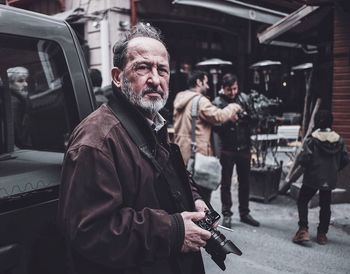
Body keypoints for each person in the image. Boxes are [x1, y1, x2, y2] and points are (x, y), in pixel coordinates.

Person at [58, 23, 212, 274]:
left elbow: (162, 177)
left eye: (162, 70)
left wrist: (193, 198)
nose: (155, 79)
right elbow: (89, 231)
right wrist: (172, 231)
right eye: (143, 67)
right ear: (118, 77)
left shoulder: (152, 124)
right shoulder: (97, 139)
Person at [173, 70, 241, 202]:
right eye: (206, 82)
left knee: (188, 197)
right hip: (199, 158)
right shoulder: (200, 101)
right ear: (198, 82)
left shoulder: (180, 98)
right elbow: (218, 116)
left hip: (182, 155)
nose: (208, 86)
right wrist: (234, 107)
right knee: (202, 199)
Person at [292, 109, 349, 245]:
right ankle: (322, 234)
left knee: (302, 200)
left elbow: (304, 159)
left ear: (316, 122)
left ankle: (303, 229)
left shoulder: (312, 140)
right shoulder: (339, 140)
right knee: (325, 204)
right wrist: (335, 169)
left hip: (312, 177)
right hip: (329, 178)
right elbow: (345, 159)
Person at [212, 73, 260, 228]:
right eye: (229, 90)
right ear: (223, 88)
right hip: (227, 149)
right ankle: (226, 213)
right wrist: (227, 120)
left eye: (234, 88)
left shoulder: (244, 98)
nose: (232, 92)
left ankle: (245, 213)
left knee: (245, 182)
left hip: (244, 147)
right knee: (226, 183)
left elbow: (255, 119)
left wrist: (243, 117)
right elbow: (215, 128)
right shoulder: (217, 102)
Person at [7, 66, 32, 148]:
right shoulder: (13, 102)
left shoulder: (19, 99)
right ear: (9, 84)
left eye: (26, 80)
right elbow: (19, 136)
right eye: (20, 81)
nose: (26, 84)